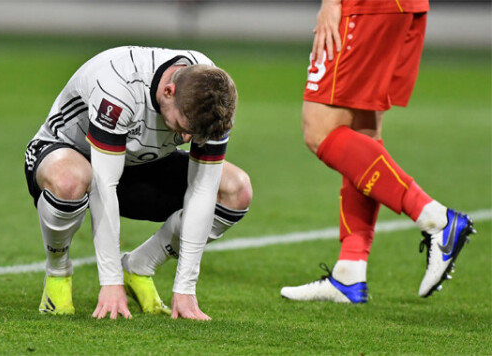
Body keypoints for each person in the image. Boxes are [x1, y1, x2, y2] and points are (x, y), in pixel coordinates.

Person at [24, 46, 252, 319]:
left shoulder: (213, 95)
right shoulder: (119, 84)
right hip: (74, 155)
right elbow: (103, 185)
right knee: (70, 180)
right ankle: (58, 272)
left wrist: (185, 288)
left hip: (142, 163)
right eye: (183, 126)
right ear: (169, 92)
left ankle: (140, 266)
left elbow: (202, 189)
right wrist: (110, 283)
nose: (187, 138)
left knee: (236, 190)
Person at [280, 0, 475, 303]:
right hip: (400, 8)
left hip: (367, 6)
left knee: (320, 131)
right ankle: (349, 271)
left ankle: (438, 220)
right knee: (362, 131)